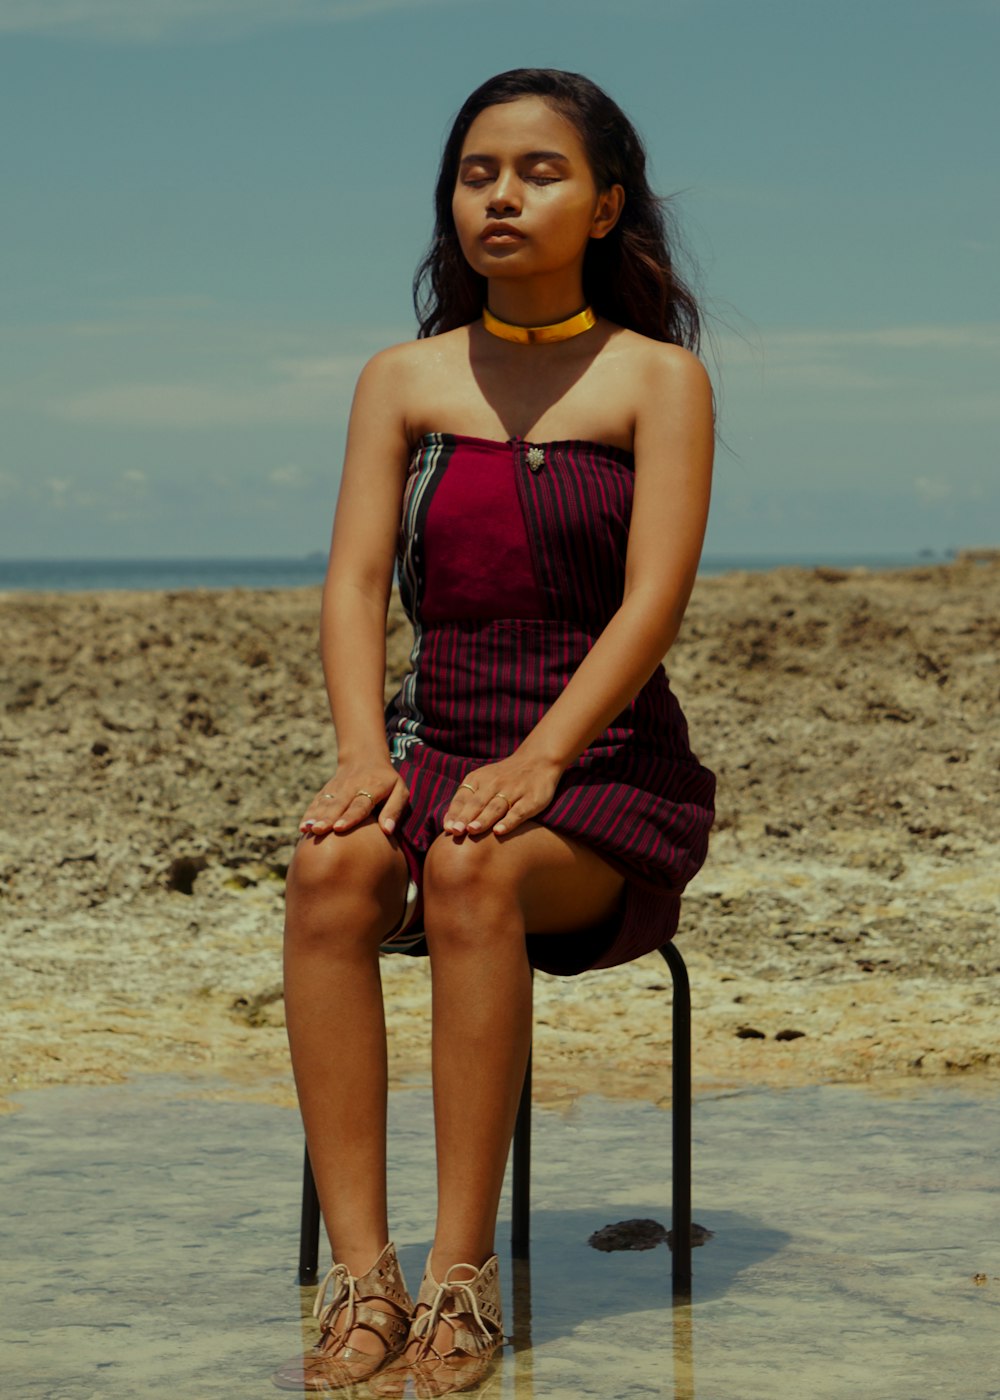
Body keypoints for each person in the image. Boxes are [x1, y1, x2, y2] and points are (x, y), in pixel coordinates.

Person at [272, 67, 716, 1397]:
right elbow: (354, 585)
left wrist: (541, 763)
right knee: (332, 865)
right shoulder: (400, 379)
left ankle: (465, 1281)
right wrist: (365, 758)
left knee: (472, 865)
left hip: (608, 767)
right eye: (478, 174)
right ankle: (367, 1276)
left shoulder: (659, 381)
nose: (503, 195)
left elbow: (653, 605)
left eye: (538, 172)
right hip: (432, 748)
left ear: (604, 207)